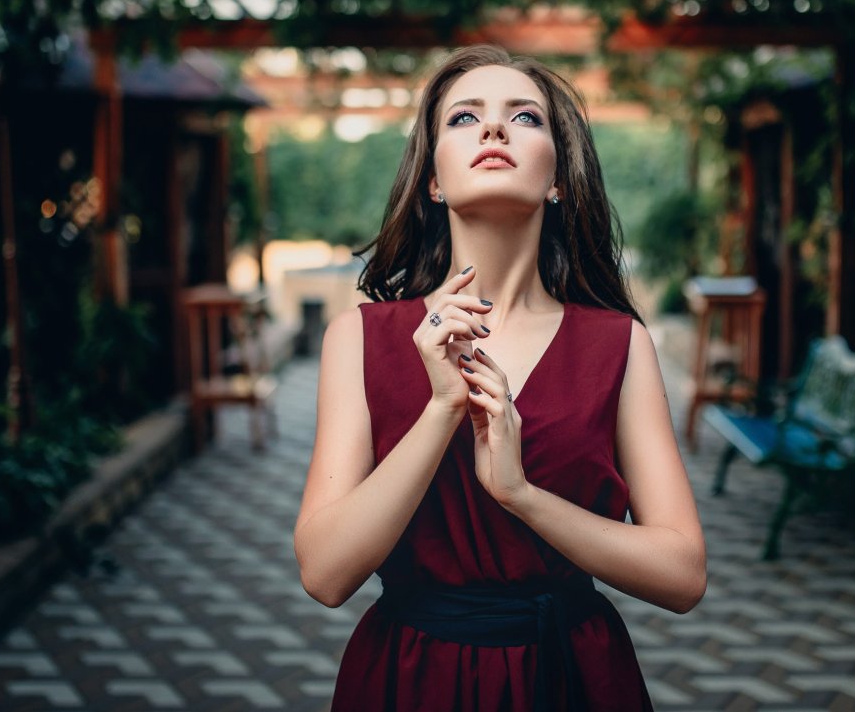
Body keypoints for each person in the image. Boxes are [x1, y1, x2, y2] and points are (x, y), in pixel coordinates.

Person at [294, 45, 706, 711]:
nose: (492, 129)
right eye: (463, 118)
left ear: (559, 181)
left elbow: (683, 574)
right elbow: (324, 572)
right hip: (409, 678)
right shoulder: (360, 338)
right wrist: (441, 408)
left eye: (524, 116)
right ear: (432, 180)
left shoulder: (618, 343)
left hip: (573, 678)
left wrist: (521, 494)